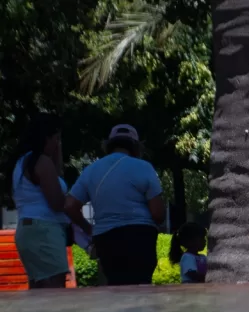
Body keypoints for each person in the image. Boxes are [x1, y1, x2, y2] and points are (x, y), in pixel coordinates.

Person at [65, 125, 165, 286]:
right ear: (136, 146)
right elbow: (158, 214)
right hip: (140, 237)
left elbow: (70, 205)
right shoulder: (144, 167)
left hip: (106, 238)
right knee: (142, 287)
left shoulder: (91, 170)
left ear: (109, 145)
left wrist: (88, 228)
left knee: (116, 286)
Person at [7, 113, 90, 288]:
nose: (57, 144)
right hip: (44, 230)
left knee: (38, 289)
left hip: (28, 229)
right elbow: (57, 203)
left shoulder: (23, 163)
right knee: (54, 291)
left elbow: (55, 177)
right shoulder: (42, 162)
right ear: (46, 138)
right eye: (56, 139)